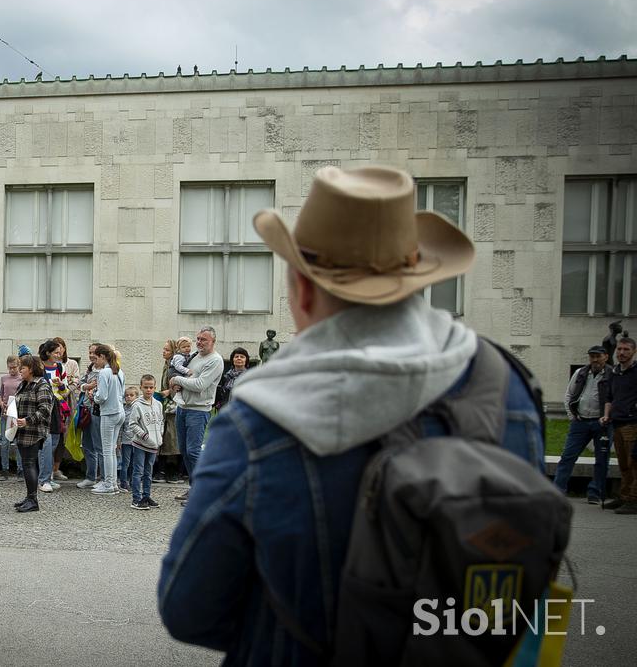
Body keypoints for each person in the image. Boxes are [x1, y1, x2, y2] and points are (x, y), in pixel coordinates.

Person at [158, 164, 547, 663]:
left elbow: (190, 609)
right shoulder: (507, 384)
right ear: (415, 277)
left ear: (302, 287)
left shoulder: (260, 418)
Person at [169, 327, 224, 503]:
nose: (199, 342)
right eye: (198, 339)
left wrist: (177, 380)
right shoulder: (193, 356)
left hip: (199, 410)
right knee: (184, 450)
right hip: (183, 407)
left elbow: (200, 384)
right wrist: (178, 383)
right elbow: (182, 373)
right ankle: (194, 488)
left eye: (204, 340)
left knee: (193, 451)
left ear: (213, 342)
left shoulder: (215, 360)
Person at [554, 345, 611, 503]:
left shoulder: (611, 374)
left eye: (598, 356)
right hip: (580, 422)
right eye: (592, 356)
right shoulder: (581, 373)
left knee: (601, 460)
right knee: (567, 456)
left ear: (606, 357)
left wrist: (608, 417)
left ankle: (595, 493)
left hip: (602, 423)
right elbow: (569, 394)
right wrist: (572, 416)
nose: (594, 359)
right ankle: (558, 490)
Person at [11, 354, 54, 513]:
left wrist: (28, 420)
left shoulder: (42, 385)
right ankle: (30, 497)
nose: (20, 370)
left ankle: (33, 500)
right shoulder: (23, 384)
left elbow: (45, 410)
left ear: (31, 369)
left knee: (29, 463)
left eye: (22, 367)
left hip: (33, 431)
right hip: (21, 431)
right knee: (28, 464)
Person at [602, 336, 637, 514]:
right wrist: (606, 415)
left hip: (632, 424)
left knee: (634, 464)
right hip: (617, 423)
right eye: (619, 349)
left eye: (626, 350)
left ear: (634, 352)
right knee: (623, 464)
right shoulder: (615, 372)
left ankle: (633, 500)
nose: (622, 353)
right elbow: (610, 398)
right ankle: (624, 496)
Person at [91, 343, 125, 495]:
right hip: (119, 411)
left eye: (96, 358)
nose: (94, 361)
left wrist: (94, 396)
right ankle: (112, 483)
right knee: (111, 449)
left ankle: (109, 484)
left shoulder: (104, 373)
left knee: (107, 450)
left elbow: (102, 396)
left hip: (110, 413)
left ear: (103, 357)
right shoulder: (119, 371)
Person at [38, 339, 69, 493]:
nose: (59, 355)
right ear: (48, 352)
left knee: (55, 441)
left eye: (60, 352)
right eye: (56, 352)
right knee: (46, 444)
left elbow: (65, 391)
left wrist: (61, 385)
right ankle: (43, 479)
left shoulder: (60, 367)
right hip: (42, 407)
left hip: (57, 408)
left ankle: (47, 477)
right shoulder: (39, 366)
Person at [128, 375, 163, 510]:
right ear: (141, 387)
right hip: (141, 444)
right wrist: (144, 435)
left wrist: (159, 436)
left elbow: (161, 422)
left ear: (155, 388)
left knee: (149, 472)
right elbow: (132, 424)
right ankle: (136, 499)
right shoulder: (137, 405)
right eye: (146, 387)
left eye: (151, 387)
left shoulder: (158, 405)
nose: (149, 390)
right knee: (138, 471)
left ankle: (146, 496)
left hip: (154, 444)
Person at [153, 340, 183, 484]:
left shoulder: (176, 366)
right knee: (165, 437)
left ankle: (173, 470)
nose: (163, 352)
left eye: (167, 350)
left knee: (172, 438)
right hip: (166, 406)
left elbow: (180, 385)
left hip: (174, 406)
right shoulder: (167, 365)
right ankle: (163, 469)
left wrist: (168, 392)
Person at [51, 336, 79, 482]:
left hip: (66, 402)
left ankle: (56, 468)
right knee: (52, 434)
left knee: (63, 435)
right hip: (52, 401)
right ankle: (46, 468)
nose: (58, 351)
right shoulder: (48, 364)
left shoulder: (71, 363)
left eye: (60, 347)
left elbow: (76, 380)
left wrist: (66, 390)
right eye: (55, 348)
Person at [77, 344, 103, 488]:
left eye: (94, 353)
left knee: (98, 445)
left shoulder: (106, 371)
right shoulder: (89, 369)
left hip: (98, 411)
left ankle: (102, 478)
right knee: (87, 444)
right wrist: (87, 386)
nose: (92, 355)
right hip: (86, 410)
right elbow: (80, 384)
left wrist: (90, 386)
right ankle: (90, 476)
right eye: (90, 352)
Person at [0, 355, 23, 480]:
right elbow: (1, 395)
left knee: (18, 442)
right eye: (10, 368)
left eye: (14, 367)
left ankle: (20, 469)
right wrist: (1, 404)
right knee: (5, 442)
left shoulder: (23, 378)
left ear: (19, 366)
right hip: (6, 413)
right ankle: (4, 469)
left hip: (18, 414)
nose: (12, 370)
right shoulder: (4, 378)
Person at [118, 385, 140, 491]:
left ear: (136, 397)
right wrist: (119, 441)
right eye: (127, 395)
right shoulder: (123, 409)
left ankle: (133, 481)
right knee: (125, 462)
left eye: (131, 395)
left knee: (134, 463)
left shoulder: (138, 408)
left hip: (136, 440)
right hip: (126, 441)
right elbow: (121, 427)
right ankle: (123, 482)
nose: (129, 397)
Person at [214, 347, 250, 411]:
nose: (239, 358)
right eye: (236, 356)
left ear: (246, 360)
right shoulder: (225, 377)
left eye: (242, 357)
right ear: (233, 359)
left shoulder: (249, 377)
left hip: (243, 410)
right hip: (225, 410)